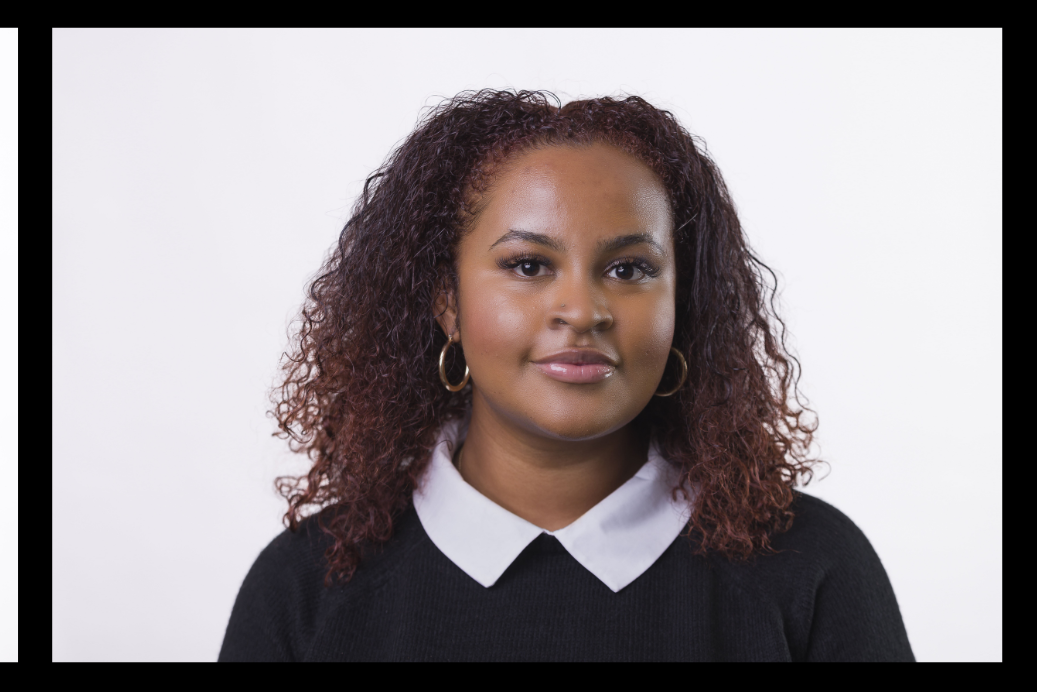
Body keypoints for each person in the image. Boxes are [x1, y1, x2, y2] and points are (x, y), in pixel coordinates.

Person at [220, 90, 910, 661]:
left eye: (629, 268)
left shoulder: (812, 567)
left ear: (681, 303)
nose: (582, 310)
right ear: (446, 304)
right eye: (527, 265)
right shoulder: (306, 586)